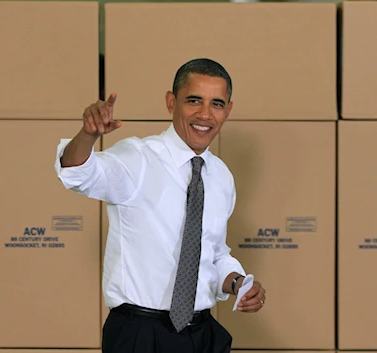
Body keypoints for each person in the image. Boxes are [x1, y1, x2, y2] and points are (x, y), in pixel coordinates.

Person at [54, 58, 267, 353]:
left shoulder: (220, 177)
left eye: (216, 104)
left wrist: (238, 283)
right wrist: (88, 135)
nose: (205, 114)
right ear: (171, 102)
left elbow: (213, 253)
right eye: (194, 100)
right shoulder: (137, 158)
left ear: (228, 110)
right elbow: (78, 173)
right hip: (140, 334)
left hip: (202, 334)